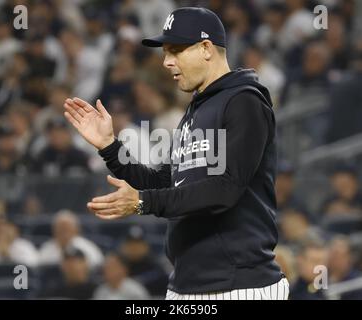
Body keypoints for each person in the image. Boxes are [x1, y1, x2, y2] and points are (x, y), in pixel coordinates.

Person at [64, 7, 288, 300]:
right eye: (165, 53)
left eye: (175, 51)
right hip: (186, 283)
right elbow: (166, 181)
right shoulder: (196, 110)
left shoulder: (244, 101)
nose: (167, 62)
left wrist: (143, 203)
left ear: (206, 48)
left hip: (239, 285)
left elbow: (225, 190)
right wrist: (110, 147)